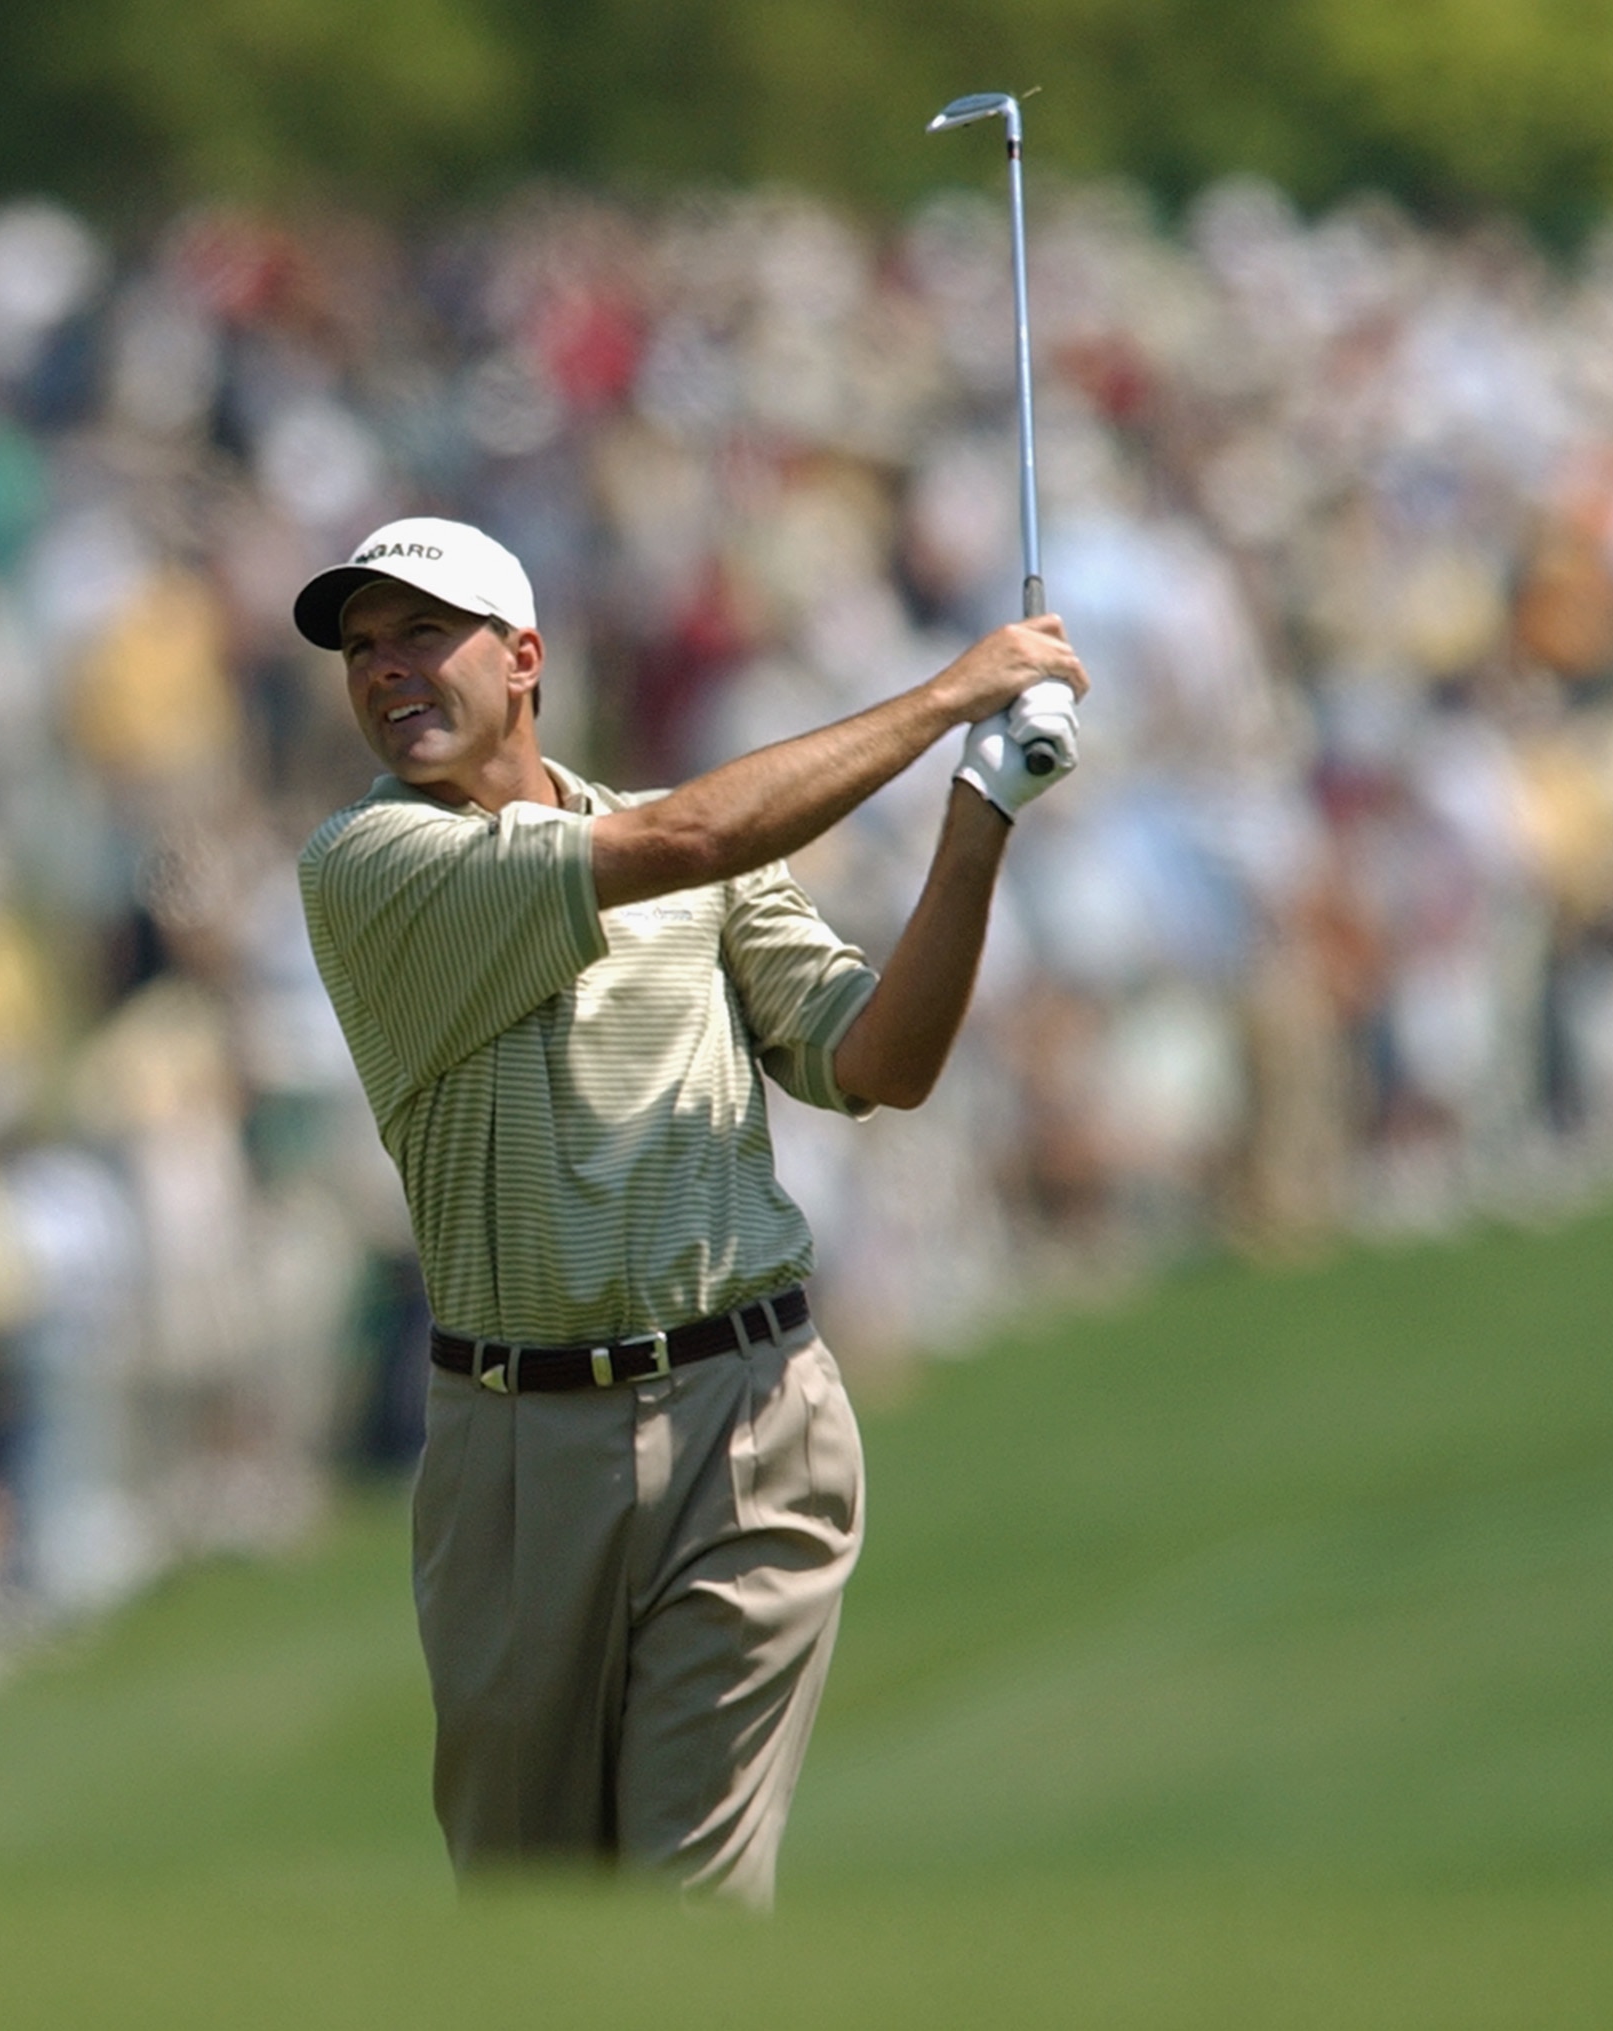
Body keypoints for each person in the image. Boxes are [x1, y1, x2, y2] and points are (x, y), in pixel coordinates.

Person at [292, 517, 1085, 1907]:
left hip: (747, 1415)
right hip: (514, 1453)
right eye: (361, 648)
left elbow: (876, 1063)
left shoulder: (699, 860)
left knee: (684, 1920)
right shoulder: (369, 866)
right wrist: (950, 690)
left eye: (422, 632)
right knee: (533, 1927)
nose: (385, 670)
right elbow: (692, 831)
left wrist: (982, 808)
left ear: (523, 657)